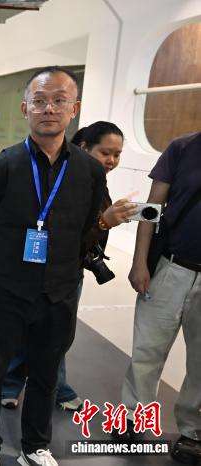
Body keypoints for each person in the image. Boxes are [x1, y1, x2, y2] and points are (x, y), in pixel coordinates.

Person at [0, 66, 106, 466]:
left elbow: (90, 227)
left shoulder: (89, 171)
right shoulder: (1, 167)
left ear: (74, 109)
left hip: (59, 293)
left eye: (59, 100)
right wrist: (5, 263)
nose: (49, 109)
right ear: (25, 108)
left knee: (46, 375)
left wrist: (69, 265)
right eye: (40, 100)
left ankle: (35, 445)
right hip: (7, 291)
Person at [0, 121, 136, 413]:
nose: (111, 161)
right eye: (105, 153)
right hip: (40, 267)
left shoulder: (97, 179)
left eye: (117, 155)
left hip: (72, 270)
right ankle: (13, 383)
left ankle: (54, 386)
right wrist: (104, 222)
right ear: (84, 147)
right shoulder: (65, 177)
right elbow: (65, 231)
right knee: (27, 328)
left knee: (58, 334)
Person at [119, 131, 201, 463]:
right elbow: (151, 209)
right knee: (147, 349)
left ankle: (193, 430)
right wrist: (140, 261)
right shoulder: (182, 148)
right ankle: (133, 416)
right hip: (171, 267)